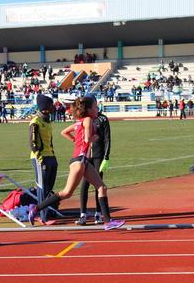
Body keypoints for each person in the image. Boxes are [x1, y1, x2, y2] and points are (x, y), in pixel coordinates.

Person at [29, 95, 125, 230]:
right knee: (66, 193)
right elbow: (87, 140)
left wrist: (75, 141)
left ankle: (108, 222)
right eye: (96, 107)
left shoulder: (79, 121)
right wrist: (94, 137)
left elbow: (64, 132)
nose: (98, 109)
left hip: (82, 160)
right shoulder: (87, 120)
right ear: (89, 109)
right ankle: (36, 208)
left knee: (102, 188)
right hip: (79, 161)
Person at [76, 109, 112, 225]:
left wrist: (106, 157)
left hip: (98, 155)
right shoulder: (84, 119)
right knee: (84, 185)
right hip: (86, 155)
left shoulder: (102, 119)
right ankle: (83, 214)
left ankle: (98, 213)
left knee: (98, 184)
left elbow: (107, 138)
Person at [29, 94, 58, 224]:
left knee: (49, 187)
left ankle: (44, 212)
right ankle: (42, 217)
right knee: (42, 187)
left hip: (51, 157)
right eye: (50, 105)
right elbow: (32, 143)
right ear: (45, 107)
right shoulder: (35, 122)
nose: (53, 107)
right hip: (41, 159)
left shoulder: (48, 121)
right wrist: (39, 157)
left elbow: (50, 142)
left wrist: (53, 155)